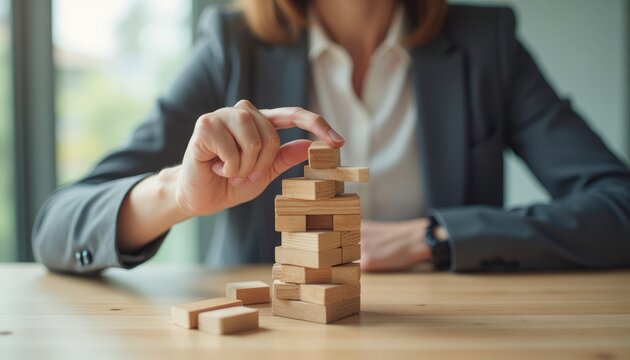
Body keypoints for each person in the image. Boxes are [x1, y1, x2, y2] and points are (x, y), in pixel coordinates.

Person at [33, 0, 630, 274]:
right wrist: (177, 197)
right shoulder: (231, 45)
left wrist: (438, 236)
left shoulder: (487, 40)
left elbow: (619, 207)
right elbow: (58, 227)